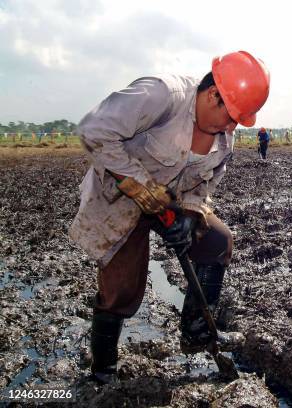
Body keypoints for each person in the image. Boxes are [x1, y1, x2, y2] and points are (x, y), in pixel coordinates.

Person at [68, 50, 270, 384]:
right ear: (212, 95)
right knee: (121, 288)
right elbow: (94, 130)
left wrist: (190, 214)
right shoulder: (160, 95)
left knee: (217, 242)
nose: (233, 126)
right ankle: (102, 369)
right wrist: (142, 188)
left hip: (169, 203)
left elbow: (203, 187)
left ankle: (195, 331)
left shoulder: (224, 141)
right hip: (119, 197)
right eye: (232, 115)